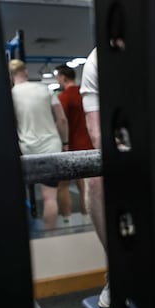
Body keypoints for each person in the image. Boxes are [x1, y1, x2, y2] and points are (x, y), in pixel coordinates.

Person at [9, 58, 69, 231]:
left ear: (12, 75)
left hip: (26, 148)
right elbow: (62, 120)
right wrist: (65, 143)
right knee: (50, 197)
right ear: (26, 72)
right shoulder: (44, 90)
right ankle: (50, 239)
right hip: (51, 146)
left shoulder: (10, 95)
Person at [79, 48, 110, 308]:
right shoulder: (98, 60)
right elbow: (98, 133)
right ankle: (119, 268)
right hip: (133, 148)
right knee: (96, 180)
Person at [55, 64, 94, 224]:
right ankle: (87, 217)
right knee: (84, 185)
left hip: (70, 147)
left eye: (58, 77)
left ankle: (67, 220)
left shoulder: (63, 97)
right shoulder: (84, 94)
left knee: (63, 185)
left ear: (63, 78)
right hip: (88, 145)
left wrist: (63, 143)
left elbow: (61, 121)